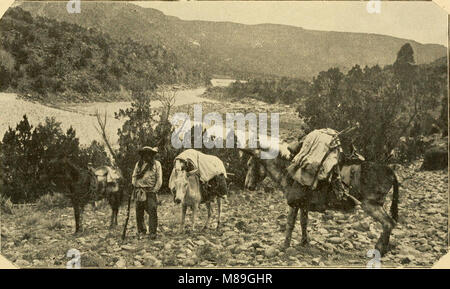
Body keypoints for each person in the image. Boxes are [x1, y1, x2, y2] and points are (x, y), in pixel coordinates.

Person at [132, 146, 162, 240]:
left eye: (149, 154)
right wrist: (135, 185)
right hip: (139, 190)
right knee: (139, 211)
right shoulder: (139, 164)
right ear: (142, 155)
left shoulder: (156, 164)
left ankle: (152, 232)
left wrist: (155, 189)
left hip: (150, 191)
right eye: (145, 154)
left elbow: (159, 178)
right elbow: (134, 176)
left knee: (152, 210)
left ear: (152, 155)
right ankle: (141, 231)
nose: (147, 156)